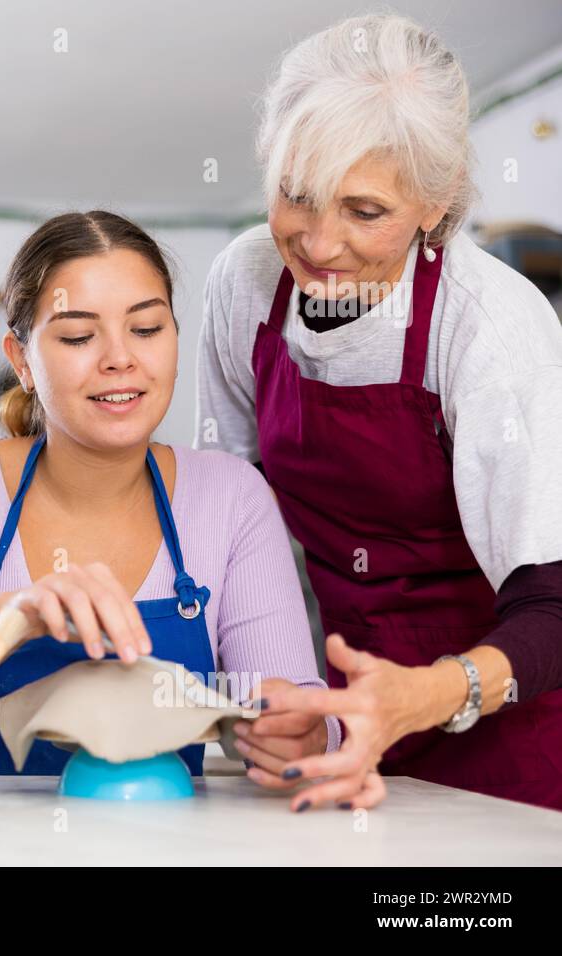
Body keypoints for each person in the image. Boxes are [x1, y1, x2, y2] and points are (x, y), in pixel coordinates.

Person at [0, 211, 339, 790]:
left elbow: (304, 713)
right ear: (22, 362)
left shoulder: (234, 497)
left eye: (146, 329)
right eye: (77, 336)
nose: (120, 358)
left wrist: (299, 732)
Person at [197, 14, 562, 810]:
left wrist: (424, 694)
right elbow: (232, 524)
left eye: (365, 212)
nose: (320, 244)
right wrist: (268, 695)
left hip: (508, 722)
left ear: (435, 205)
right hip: (334, 710)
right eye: (296, 196)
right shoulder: (246, 284)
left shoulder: (489, 326)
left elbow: (554, 604)